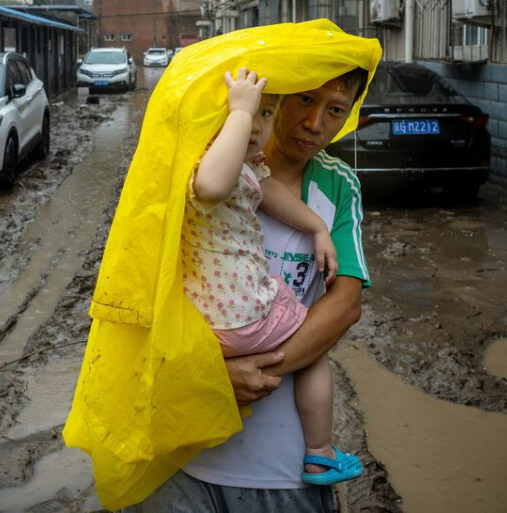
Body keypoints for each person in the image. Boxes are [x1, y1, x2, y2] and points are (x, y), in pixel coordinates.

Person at [131, 67, 371, 512]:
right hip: (176, 456)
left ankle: (319, 454)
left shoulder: (337, 185)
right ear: (276, 93)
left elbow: (344, 306)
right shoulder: (196, 164)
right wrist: (210, 378)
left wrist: (250, 373)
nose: (315, 123)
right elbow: (138, 293)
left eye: (336, 110)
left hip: (280, 469)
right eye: (305, 100)